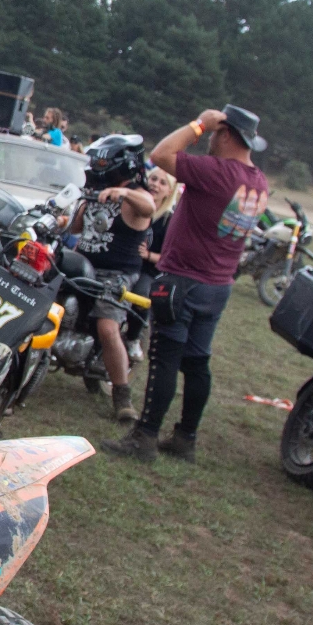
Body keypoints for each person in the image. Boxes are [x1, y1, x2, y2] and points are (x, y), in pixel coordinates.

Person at [105, 105, 269, 463]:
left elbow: (161, 154)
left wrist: (198, 125)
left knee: (165, 358)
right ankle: (185, 438)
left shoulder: (216, 171)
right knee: (197, 362)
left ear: (225, 134)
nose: (209, 139)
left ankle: (145, 437)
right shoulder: (258, 180)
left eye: (215, 133)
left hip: (183, 281)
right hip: (218, 285)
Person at [68, 135, 152, 422]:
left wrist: (123, 193)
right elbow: (75, 227)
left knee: (107, 326)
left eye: (102, 163)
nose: (96, 168)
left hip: (116, 273)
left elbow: (149, 208)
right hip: (82, 265)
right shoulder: (96, 191)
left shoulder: (135, 195)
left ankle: (122, 394)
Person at [127, 166, 178, 360]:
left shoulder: (169, 220)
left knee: (141, 295)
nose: (156, 185)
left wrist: (148, 255)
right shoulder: (133, 206)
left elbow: (171, 257)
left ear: (169, 191)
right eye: (154, 179)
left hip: (149, 271)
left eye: (162, 183)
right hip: (126, 263)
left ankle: (133, 338)